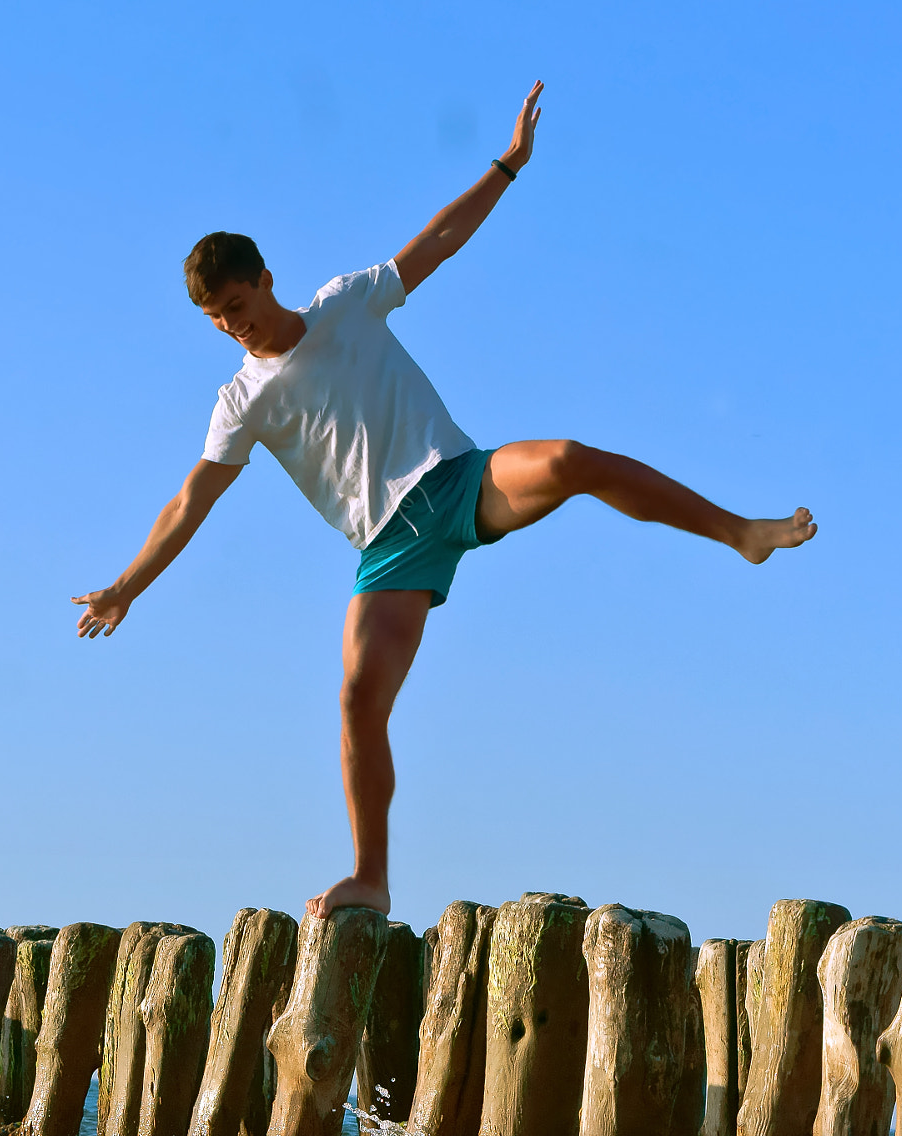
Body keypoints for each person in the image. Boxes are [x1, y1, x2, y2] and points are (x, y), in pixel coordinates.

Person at [72, 82, 816, 920]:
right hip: (390, 549)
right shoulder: (240, 403)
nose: (231, 327)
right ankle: (372, 878)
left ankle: (739, 531)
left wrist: (507, 165)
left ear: (264, 281)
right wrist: (129, 584)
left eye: (236, 307)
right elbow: (189, 501)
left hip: (460, 481)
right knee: (358, 700)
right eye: (215, 320)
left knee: (570, 459)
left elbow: (437, 242)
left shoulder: (345, 304)